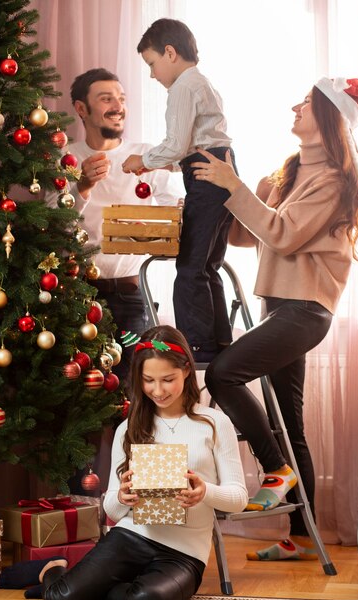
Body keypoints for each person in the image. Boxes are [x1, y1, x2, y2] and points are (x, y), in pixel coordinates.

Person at [191, 77, 358, 561]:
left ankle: (276, 470)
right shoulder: (290, 173)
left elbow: (284, 236)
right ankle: (300, 536)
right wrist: (225, 197)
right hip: (279, 306)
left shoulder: (335, 181)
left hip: (306, 310)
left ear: (331, 120)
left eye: (308, 103)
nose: (295, 107)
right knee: (289, 422)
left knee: (223, 373)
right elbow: (246, 238)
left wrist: (238, 191)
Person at [0, 325, 248, 600]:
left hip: (183, 553)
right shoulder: (128, 429)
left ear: (186, 372)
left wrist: (205, 491)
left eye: (168, 379)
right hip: (132, 535)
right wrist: (124, 497)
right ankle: (54, 568)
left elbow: (239, 498)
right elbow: (111, 506)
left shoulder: (215, 423)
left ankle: (97, 588)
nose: (158, 390)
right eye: (148, 381)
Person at [121, 19, 238, 363]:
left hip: (207, 178)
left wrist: (141, 159)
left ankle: (197, 346)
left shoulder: (183, 88)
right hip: (218, 170)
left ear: (170, 53)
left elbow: (175, 146)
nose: (153, 75)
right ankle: (219, 340)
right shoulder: (204, 84)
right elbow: (191, 149)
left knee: (188, 269)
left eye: (152, 64)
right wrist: (159, 163)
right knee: (208, 265)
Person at [65, 68, 183, 382]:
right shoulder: (65, 159)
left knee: (135, 386)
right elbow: (54, 226)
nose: (118, 106)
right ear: (81, 109)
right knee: (81, 390)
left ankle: (134, 433)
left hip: (132, 299)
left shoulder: (146, 156)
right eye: (106, 99)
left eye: (121, 99)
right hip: (76, 299)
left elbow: (176, 211)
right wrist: (83, 187)